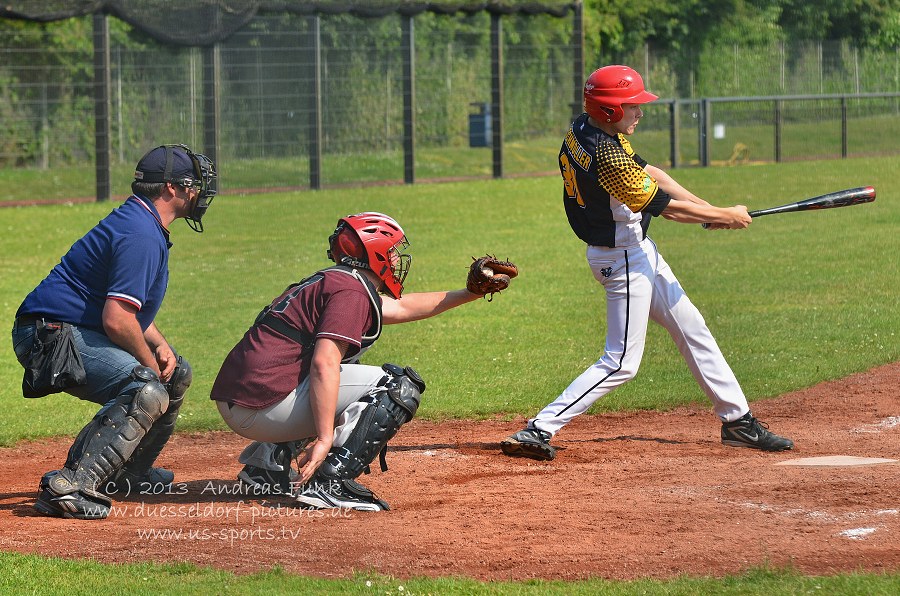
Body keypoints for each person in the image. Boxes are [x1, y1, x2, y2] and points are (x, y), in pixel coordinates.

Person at [500, 65, 793, 461]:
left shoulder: (588, 129)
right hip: (620, 258)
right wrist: (725, 216)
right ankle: (538, 428)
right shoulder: (605, 155)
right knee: (621, 361)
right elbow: (662, 207)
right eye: (632, 106)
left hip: (636, 249)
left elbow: (650, 174)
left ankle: (738, 420)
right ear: (607, 111)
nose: (640, 112)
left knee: (693, 328)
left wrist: (710, 209)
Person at [211, 212, 513, 511]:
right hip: (264, 407)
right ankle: (330, 482)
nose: (396, 259)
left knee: (341, 375)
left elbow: (404, 307)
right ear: (376, 254)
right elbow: (324, 364)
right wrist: (325, 439)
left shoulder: (335, 280)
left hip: (245, 397)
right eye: (392, 251)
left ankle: (267, 465)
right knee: (397, 386)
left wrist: (469, 293)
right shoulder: (351, 291)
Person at [11, 144, 217, 519]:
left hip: (64, 328)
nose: (198, 193)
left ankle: (128, 473)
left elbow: (127, 306)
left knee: (175, 375)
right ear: (170, 188)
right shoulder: (141, 232)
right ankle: (69, 484)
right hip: (49, 335)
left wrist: (158, 344)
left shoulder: (142, 223)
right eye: (192, 185)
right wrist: (146, 362)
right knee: (146, 387)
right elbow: (118, 319)